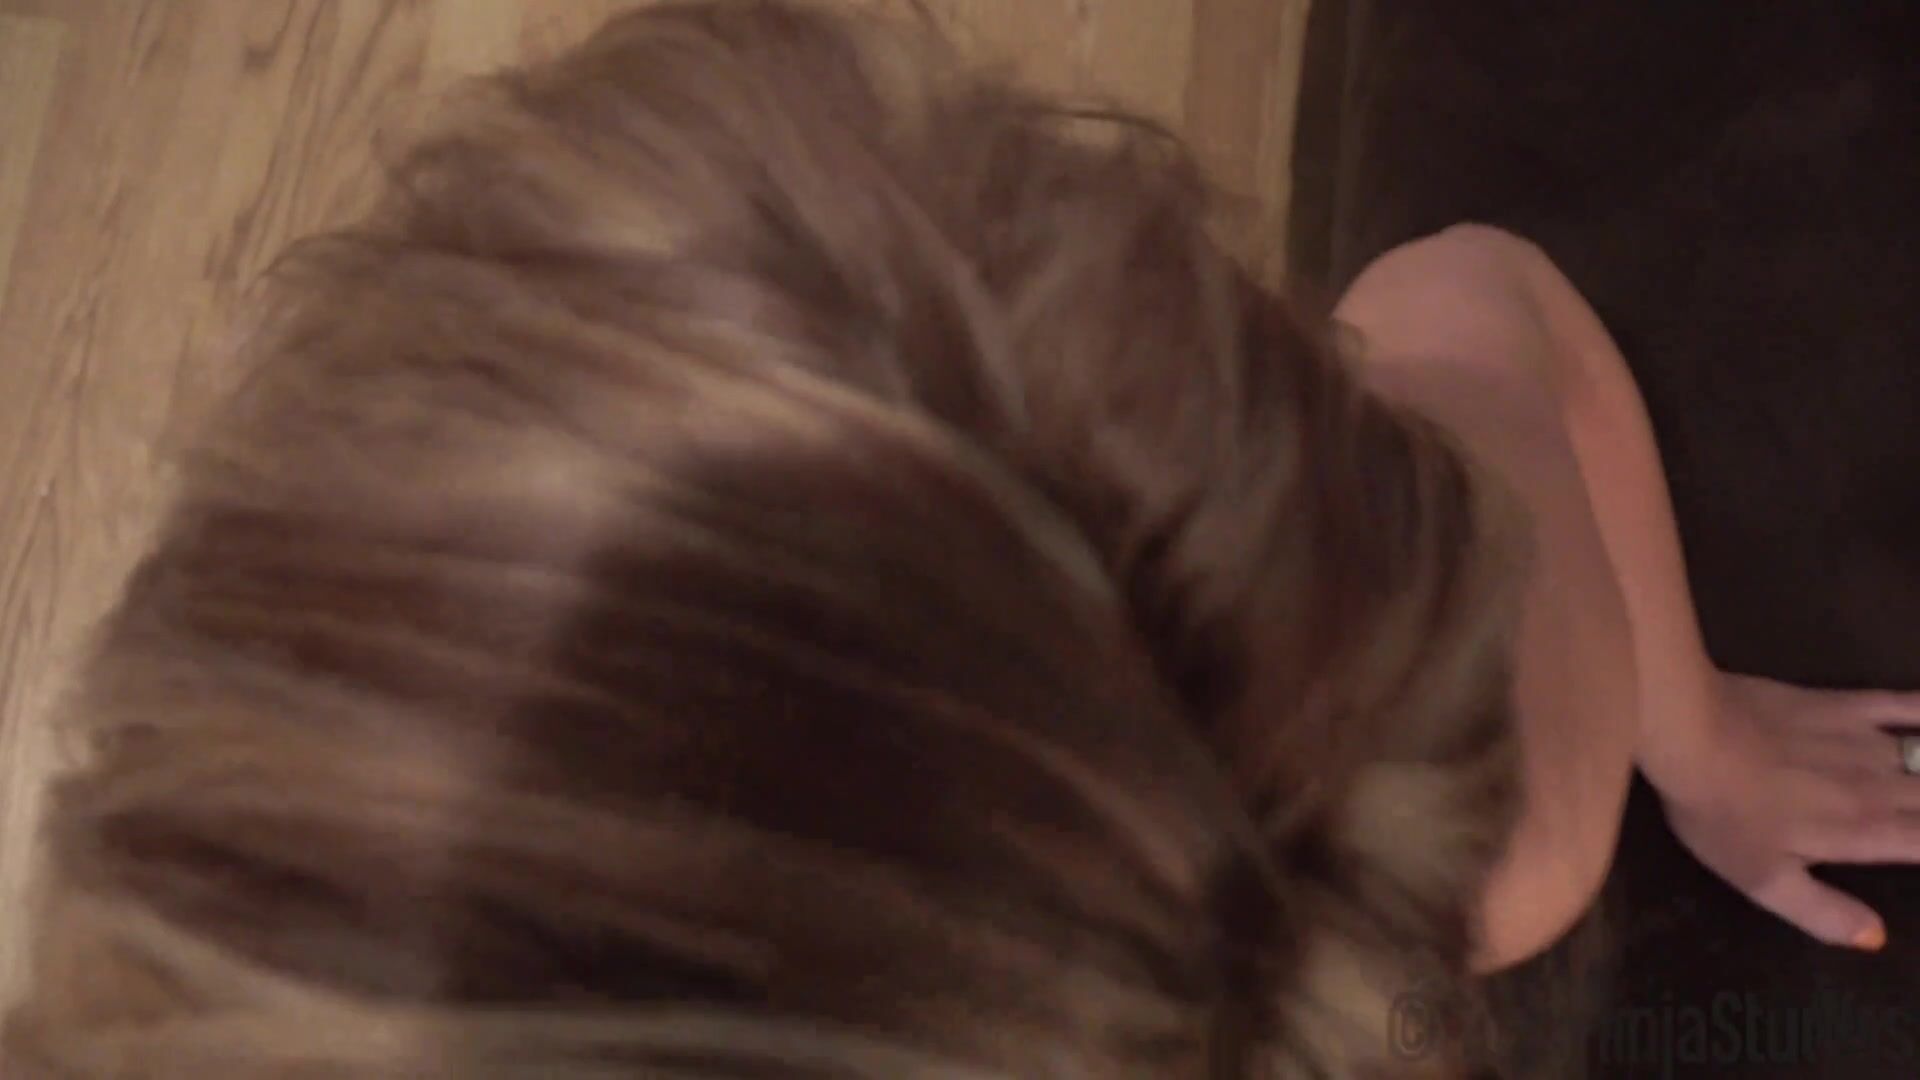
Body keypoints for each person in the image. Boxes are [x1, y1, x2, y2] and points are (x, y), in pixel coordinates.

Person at [5, 2, 1916, 1076]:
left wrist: (1680, 737)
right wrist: (1676, 736)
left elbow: (1482, 319)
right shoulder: (1495, 834)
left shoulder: (1488, 823)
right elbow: (1480, 316)